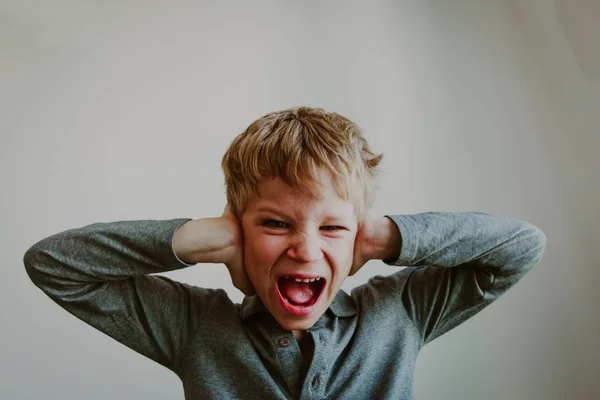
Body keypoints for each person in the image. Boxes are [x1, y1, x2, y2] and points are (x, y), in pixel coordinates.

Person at [24, 106, 547, 399]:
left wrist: (386, 236)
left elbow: (521, 246)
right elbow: (55, 264)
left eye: (333, 227)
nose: (305, 247)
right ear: (236, 231)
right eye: (275, 223)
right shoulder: (194, 327)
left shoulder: (399, 313)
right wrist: (198, 239)